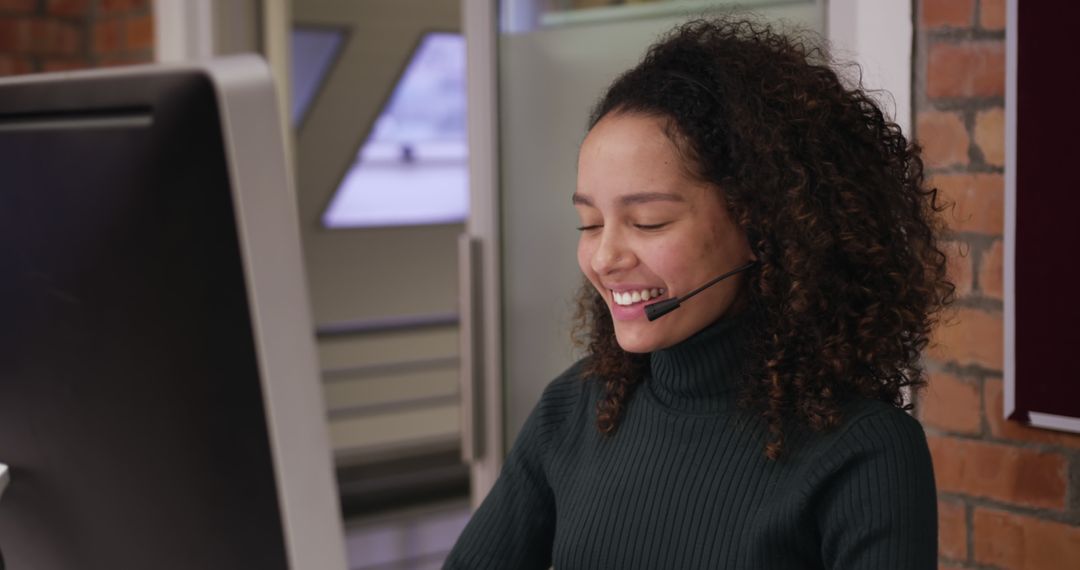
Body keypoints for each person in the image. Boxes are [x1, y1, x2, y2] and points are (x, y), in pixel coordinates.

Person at [445, 16, 953, 570]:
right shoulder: (574, 408)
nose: (605, 257)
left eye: (650, 222)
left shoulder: (864, 452)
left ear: (763, 226)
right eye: (588, 224)